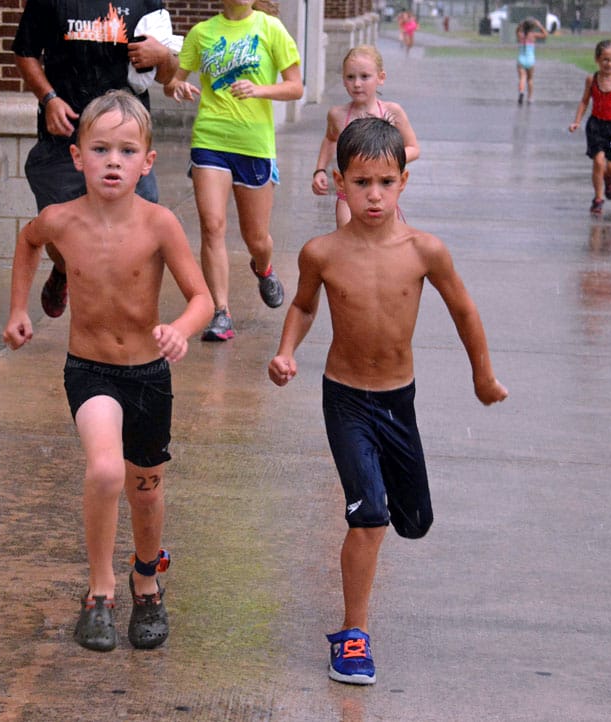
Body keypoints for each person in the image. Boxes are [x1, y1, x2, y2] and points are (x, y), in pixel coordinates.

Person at [267, 117, 508, 685]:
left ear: (403, 181)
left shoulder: (425, 251)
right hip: (345, 398)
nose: (373, 195)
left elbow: (464, 311)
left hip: (399, 400)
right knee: (368, 516)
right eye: (360, 183)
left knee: (415, 521)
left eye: (384, 182)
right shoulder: (321, 253)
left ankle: (386, 512)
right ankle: (353, 636)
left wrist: (483, 377)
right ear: (340, 183)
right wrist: (286, 350)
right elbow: (302, 307)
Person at [3, 91, 214, 652]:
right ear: (77, 158)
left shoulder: (159, 223)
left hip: (148, 375)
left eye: (127, 150)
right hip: (90, 370)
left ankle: (146, 580)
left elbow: (203, 298)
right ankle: (99, 591)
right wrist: (19, 308)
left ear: (148, 161)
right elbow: (28, 242)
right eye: (100, 149)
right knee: (104, 472)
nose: (113, 161)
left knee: (145, 489)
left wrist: (181, 329)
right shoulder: (62, 220)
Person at [12, 0, 179, 319]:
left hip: (125, 141)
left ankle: (119, 320)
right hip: (65, 138)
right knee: (63, 238)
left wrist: (163, 57)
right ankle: (62, 270)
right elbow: (25, 52)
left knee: (138, 232)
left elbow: (166, 75)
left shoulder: (147, 2)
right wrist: (49, 99)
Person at [164, 0, 303, 342]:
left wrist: (260, 90)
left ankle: (263, 268)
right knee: (212, 226)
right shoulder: (202, 33)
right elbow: (172, 81)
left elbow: (296, 86)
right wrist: (177, 87)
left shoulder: (271, 29)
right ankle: (220, 311)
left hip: (254, 146)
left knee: (256, 238)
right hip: (210, 139)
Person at [312, 45, 420, 228]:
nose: (357, 84)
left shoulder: (392, 111)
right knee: (347, 242)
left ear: (381, 78)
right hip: (348, 195)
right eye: (350, 77)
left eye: (365, 77)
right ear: (343, 80)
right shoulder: (337, 115)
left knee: (383, 245)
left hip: (381, 194)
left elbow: (414, 148)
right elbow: (330, 139)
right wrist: (320, 170)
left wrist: (386, 159)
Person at [568, 40, 611, 216]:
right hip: (597, 126)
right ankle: (598, 199)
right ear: (597, 59)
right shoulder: (592, 80)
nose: (609, 64)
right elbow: (584, 101)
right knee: (598, 162)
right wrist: (577, 121)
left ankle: (610, 179)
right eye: (605, 59)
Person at [515, 16, 548, 106]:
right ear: (532, 27)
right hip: (530, 60)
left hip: (521, 60)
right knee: (530, 79)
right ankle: (530, 98)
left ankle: (521, 92)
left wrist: (520, 25)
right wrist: (539, 25)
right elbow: (545, 34)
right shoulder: (533, 35)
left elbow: (517, 30)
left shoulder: (520, 35)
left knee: (522, 78)